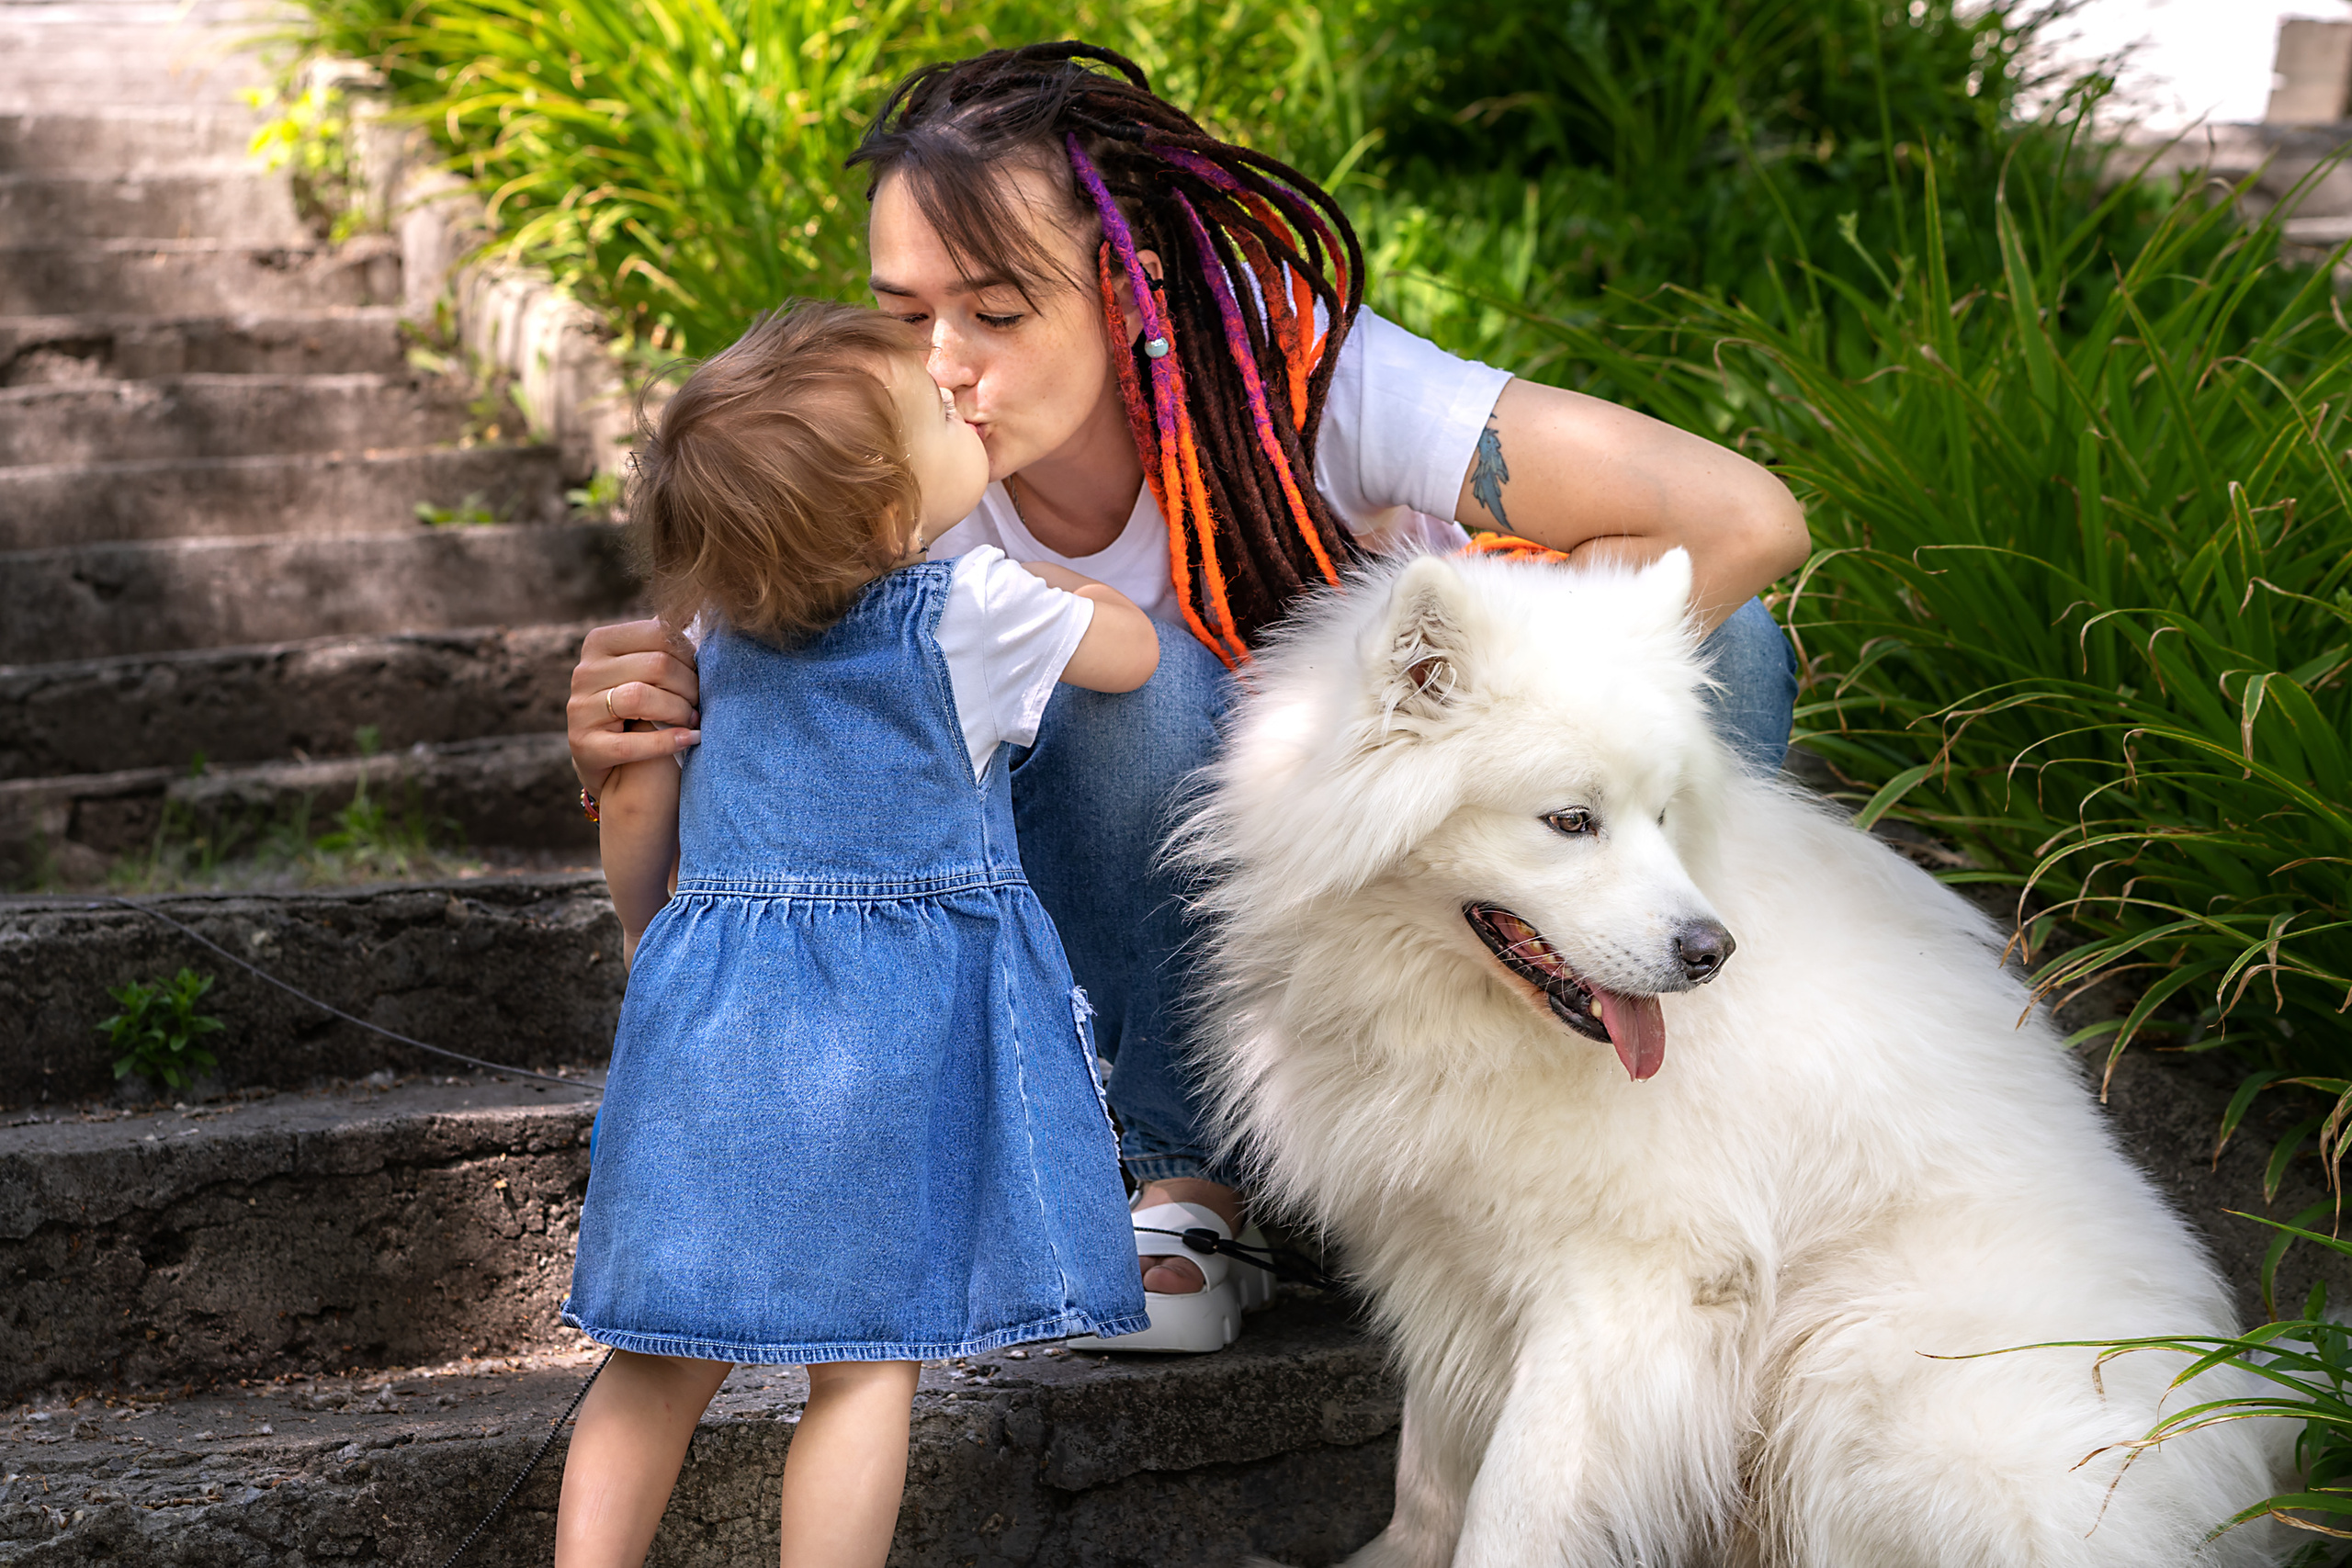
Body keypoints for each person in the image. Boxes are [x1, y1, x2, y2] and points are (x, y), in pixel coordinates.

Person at [566, 42, 1813, 1354]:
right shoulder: (889, 482)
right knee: (1125, 696)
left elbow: (1744, 519)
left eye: (997, 313)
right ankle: (1186, 1190)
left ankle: (1654, 1109)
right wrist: (636, 732)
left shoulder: (1298, 372)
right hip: (1154, 939)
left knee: (1733, 649)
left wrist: (1489, 709)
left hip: (1424, 884)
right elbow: (736, 819)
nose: (942, 364)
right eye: (901, 314)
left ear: (1130, 289)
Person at [553, 301, 1158, 1568]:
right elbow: (1134, 655)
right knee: (864, 1374)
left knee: (654, 1361)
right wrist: (1059, 591)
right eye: (936, 410)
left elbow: (643, 809)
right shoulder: (974, 610)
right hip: (887, 1050)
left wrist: (643, 938)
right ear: (891, 516)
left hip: (709, 1024)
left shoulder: (717, 639)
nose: (959, 393)